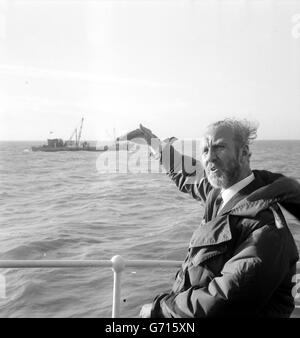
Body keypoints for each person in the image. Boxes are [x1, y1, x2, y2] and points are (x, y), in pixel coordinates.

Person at [120, 119, 300, 318]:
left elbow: (225, 299)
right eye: (205, 150)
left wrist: (158, 310)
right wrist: (155, 144)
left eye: (219, 147)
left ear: (244, 153)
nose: (210, 158)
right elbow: (188, 173)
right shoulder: (218, 196)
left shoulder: (265, 227)